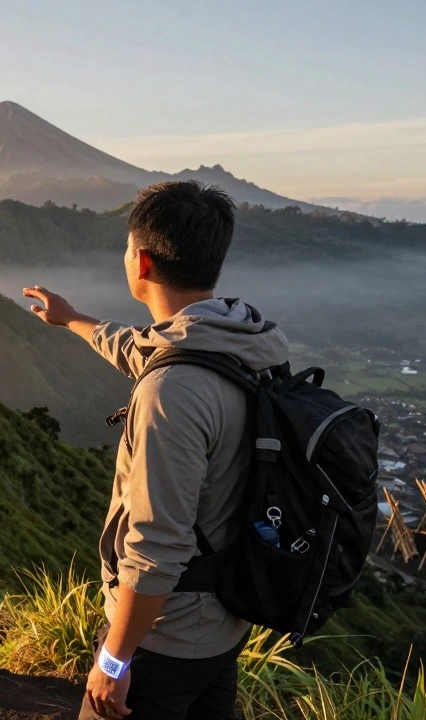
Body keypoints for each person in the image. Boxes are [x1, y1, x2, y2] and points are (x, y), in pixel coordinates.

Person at [23, 181, 289, 720]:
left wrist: (114, 662)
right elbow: (137, 347)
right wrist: (70, 317)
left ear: (141, 261)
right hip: (222, 619)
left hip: (164, 637)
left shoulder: (172, 392)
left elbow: (157, 548)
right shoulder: (240, 345)